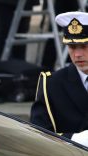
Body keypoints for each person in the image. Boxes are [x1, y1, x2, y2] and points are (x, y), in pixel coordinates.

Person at [30, 11, 88, 146]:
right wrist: (75, 139)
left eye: (84, 46)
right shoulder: (52, 83)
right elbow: (38, 133)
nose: (78, 54)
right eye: (72, 47)